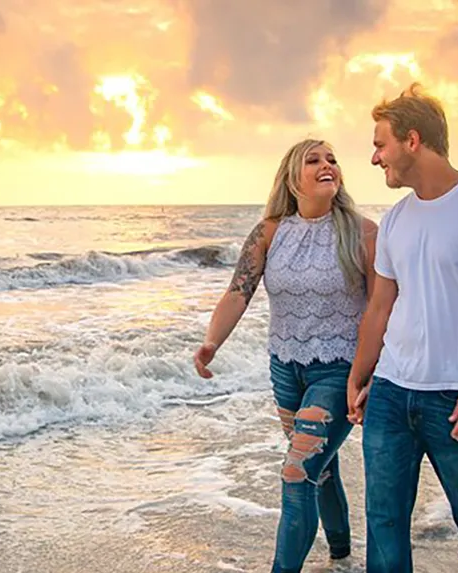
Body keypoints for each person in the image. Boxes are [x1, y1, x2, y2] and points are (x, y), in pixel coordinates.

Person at [346, 83, 458, 573]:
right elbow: (380, 307)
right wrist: (360, 376)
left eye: (381, 144)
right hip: (390, 390)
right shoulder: (395, 219)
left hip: (455, 393)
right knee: (383, 515)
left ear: (413, 140)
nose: (375, 157)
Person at [193, 139, 378, 573]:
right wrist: (211, 343)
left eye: (331, 159)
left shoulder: (364, 231)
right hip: (285, 367)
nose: (326, 165)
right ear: (292, 178)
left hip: (339, 368)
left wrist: (369, 372)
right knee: (319, 465)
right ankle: (341, 556)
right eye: (313, 160)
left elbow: (381, 307)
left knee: (297, 471)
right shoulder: (270, 231)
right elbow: (239, 292)